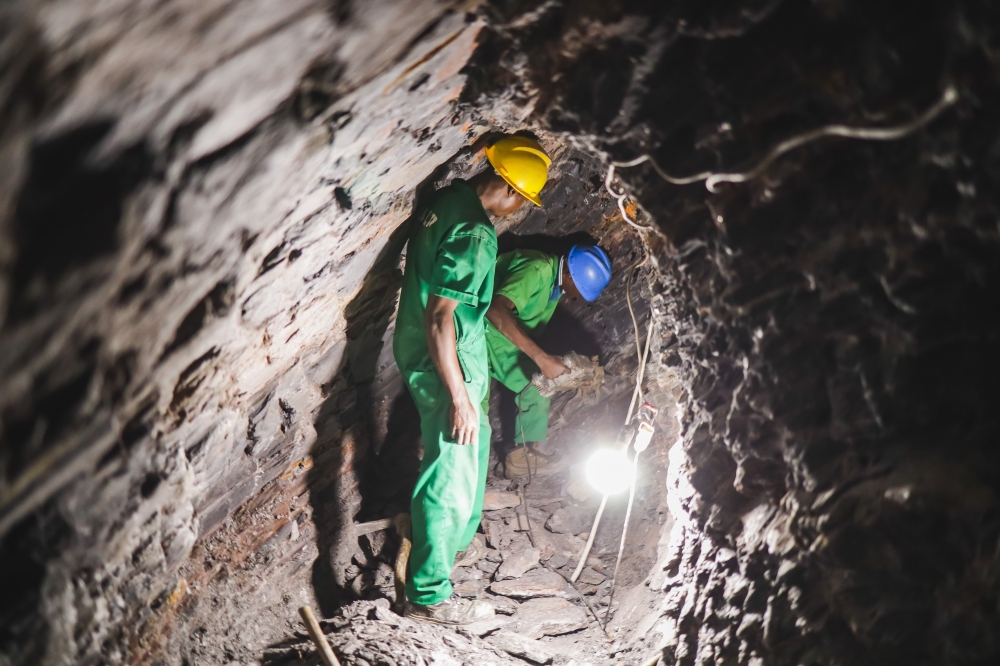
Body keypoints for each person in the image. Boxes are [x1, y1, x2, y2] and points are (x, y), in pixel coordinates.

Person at [392, 135, 551, 625]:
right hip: (447, 361)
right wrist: (460, 397)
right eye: (520, 198)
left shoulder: (448, 198)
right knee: (452, 471)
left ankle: (441, 547)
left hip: (434, 350)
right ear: (506, 186)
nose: (516, 208)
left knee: (471, 450)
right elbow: (442, 317)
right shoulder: (477, 235)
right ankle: (427, 592)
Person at [485, 244, 612, 478]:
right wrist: (541, 358)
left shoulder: (554, 284)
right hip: (484, 331)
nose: (578, 297)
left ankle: (522, 456)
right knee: (534, 383)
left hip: (498, 336)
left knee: (541, 382)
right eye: (579, 290)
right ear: (569, 274)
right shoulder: (538, 269)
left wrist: (568, 373)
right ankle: (515, 460)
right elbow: (495, 310)